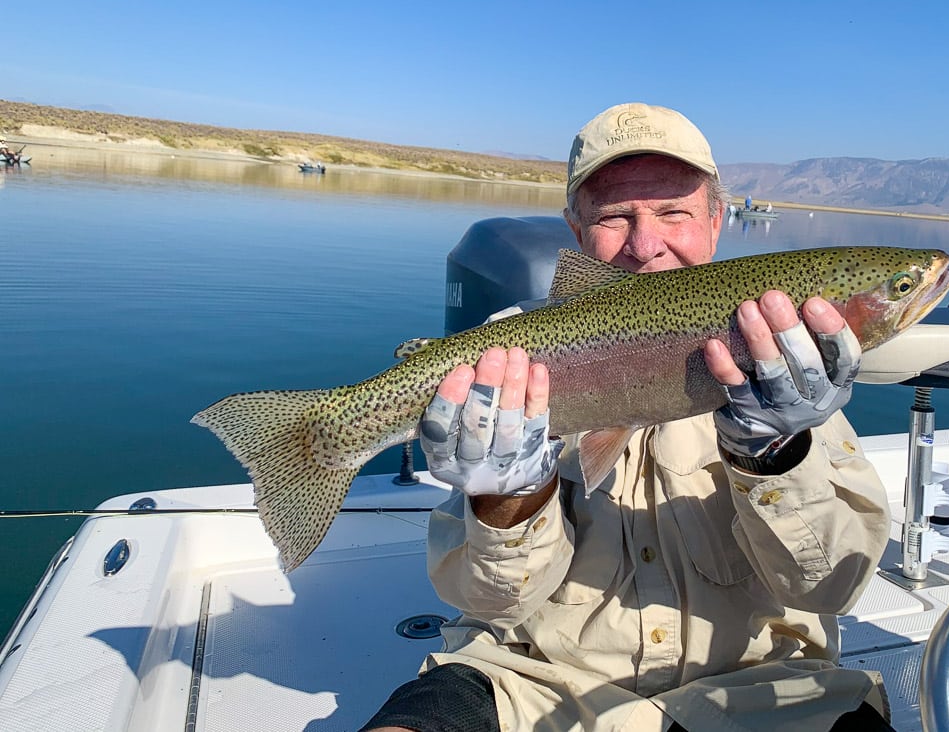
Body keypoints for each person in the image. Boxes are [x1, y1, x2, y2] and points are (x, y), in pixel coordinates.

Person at [362, 103, 893, 732]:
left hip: (759, 687)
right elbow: (490, 604)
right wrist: (511, 500)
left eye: (674, 212)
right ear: (576, 231)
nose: (645, 246)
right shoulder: (505, 360)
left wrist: (776, 453)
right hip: (532, 683)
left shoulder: (790, 361)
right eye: (615, 217)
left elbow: (830, 591)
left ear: (716, 221)